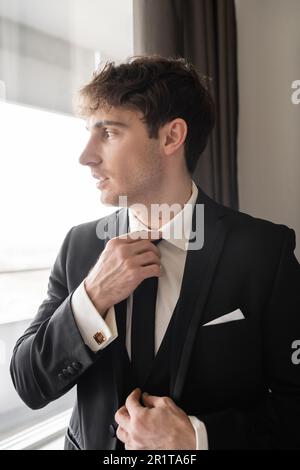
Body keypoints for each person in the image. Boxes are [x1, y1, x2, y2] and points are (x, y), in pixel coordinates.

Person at [10, 55, 300, 450]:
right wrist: (92, 296)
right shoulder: (79, 246)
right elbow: (29, 384)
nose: (86, 155)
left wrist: (199, 438)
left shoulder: (263, 252)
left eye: (108, 133)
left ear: (171, 137)